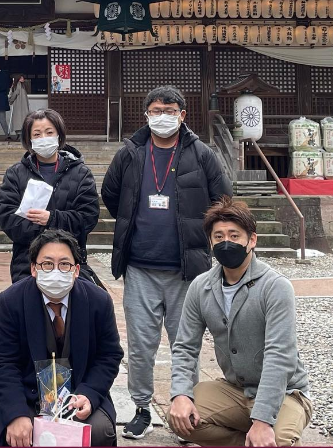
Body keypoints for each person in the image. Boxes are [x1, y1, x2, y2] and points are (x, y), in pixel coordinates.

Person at [100, 85, 232, 439]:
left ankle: (185, 407)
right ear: (146, 115)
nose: (163, 117)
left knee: (184, 344)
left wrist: (203, 238)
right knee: (140, 346)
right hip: (139, 266)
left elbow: (223, 199)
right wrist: (131, 220)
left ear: (182, 115)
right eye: (156, 111)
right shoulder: (130, 152)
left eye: (170, 111)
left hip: (186, 270)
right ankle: (142, 407)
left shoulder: (201, 154)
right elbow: (111, 193)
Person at [168, 197, 312, 446]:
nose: (226, 242)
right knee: (181, 418)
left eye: (234, 236)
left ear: (252, 240)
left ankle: (265, 431)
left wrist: (263, 420)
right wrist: (180, 394)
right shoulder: (201, 287)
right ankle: (247, 440)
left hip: (287, 393)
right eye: (219, 236)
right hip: (235, 389)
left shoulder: (275, 287)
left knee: (278, 441)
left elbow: (280, 355)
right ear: (210, 242)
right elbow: (185, 347)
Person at [0, 229, 124, 447]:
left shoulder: (99, 301)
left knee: (98, 431)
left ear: (76, 270)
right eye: (47, 264)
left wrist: (88, 394)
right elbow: (6, 362)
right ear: (33, 268)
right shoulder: (11, 301)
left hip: (77, 394)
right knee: (15, 435)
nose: (56, 271)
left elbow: (109, 356)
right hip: (28, 394)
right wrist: (16, 413)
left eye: (65, 264)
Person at [0, 108, 100, 283]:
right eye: (37, 134)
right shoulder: (15, 174)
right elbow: (8, 218)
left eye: (49, 132)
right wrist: (44, 230)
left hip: (69, 263)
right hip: (27, 265)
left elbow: (88, 217)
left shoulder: (81, 173)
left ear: (59, 135)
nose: (43, 138)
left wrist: (51, 219)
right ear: (29, 139)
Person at [8, 75, 31, 140]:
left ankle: (19, 135)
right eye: (21, 78)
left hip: (19, 105)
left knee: (18, 120)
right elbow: (16, 93)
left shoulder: (18, 85)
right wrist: (11, 100)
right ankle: (20, 135)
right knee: (22, 120)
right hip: (21, 105)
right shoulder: (19, 85)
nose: (23, 79)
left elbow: (14, 94)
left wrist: (11, 100)